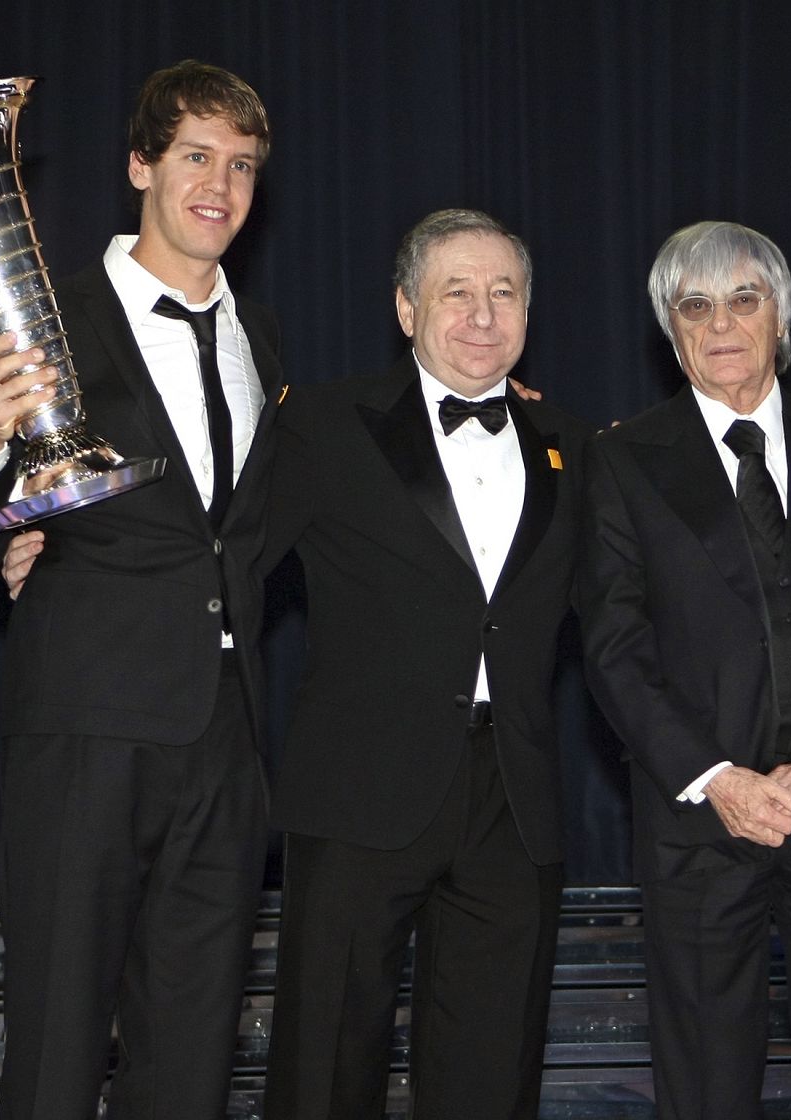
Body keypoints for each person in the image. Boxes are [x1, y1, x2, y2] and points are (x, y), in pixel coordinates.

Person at [0, 61, 278, 1119]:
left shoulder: (259, 339)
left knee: (189, 1059)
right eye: (195, 157)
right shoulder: (48, 319)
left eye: (242, 165)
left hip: (226, 742)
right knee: (55, 1045)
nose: (219, 184)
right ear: (141, 165)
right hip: (85, 731)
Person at [578, 221, 791, 1120]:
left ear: (783, 317)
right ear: (670, 329)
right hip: (699, 819)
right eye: (696, 305)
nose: (723, 322)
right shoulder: (620, 462)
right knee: (703, 1082)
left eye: (746, 298)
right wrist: (715, 778)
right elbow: (613, 646)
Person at [258, 209, 592, 1119]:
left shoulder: (575, 446)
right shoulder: (325, 425)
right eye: (456, 292)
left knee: (491, 1075)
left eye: (503, 292)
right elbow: (224, 560)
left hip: (512, 806)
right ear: (406, 308)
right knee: (325, 1067)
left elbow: (628, 613)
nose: (482, 315)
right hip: (357, 790)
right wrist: (59, 555)